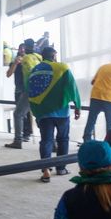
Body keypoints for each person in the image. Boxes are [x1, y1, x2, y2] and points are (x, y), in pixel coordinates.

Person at [28, 47, 81, 182]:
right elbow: (72, 86)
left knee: (46, 140)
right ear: (54, 55)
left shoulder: (34, 70)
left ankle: (46, 169)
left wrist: (36, 112)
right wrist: (77, 106)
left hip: (44, 112)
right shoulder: (62, 67)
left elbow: (31, 92)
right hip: (61, 111)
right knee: (62, 139)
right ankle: (61, 168)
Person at [82, 54, 111, 143]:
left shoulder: (103, 67)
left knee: (91, 119)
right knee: (110, 123)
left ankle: (87, 140)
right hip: (109, 98)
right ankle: (109, 142)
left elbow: (93, 82)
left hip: (95, 96)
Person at [4, 43, 33, 149]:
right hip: (19, 90)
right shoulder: (15, 60)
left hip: (29, 90)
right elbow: (8, 74)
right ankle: (21, 136)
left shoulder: (31, 59)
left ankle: (25, 134)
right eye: (20, 48)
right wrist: (15, 64)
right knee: (21, 114)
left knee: (25, 114)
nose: (21, 49)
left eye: (23, 48)